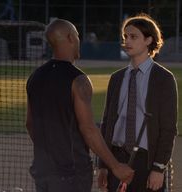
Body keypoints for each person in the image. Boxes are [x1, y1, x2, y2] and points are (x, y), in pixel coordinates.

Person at [26, 19, 134, 192]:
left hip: (42, 170)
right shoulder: (78, 80)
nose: (78, 40)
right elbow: (89, 130)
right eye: (77, 35)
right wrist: (115, 166)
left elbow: (30, 125)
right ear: (69, 38)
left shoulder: (35, 77)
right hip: (71, 173)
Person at [98, 13, 178, 192]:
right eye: (125, 36)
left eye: (133, 37)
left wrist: (158, 168)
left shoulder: (163, 78)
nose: (127, 41)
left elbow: (168, 128)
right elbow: (107, 123)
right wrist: (103, 164)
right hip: (116, 158)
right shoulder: (116, 78)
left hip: (146, 160)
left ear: (149, 40)